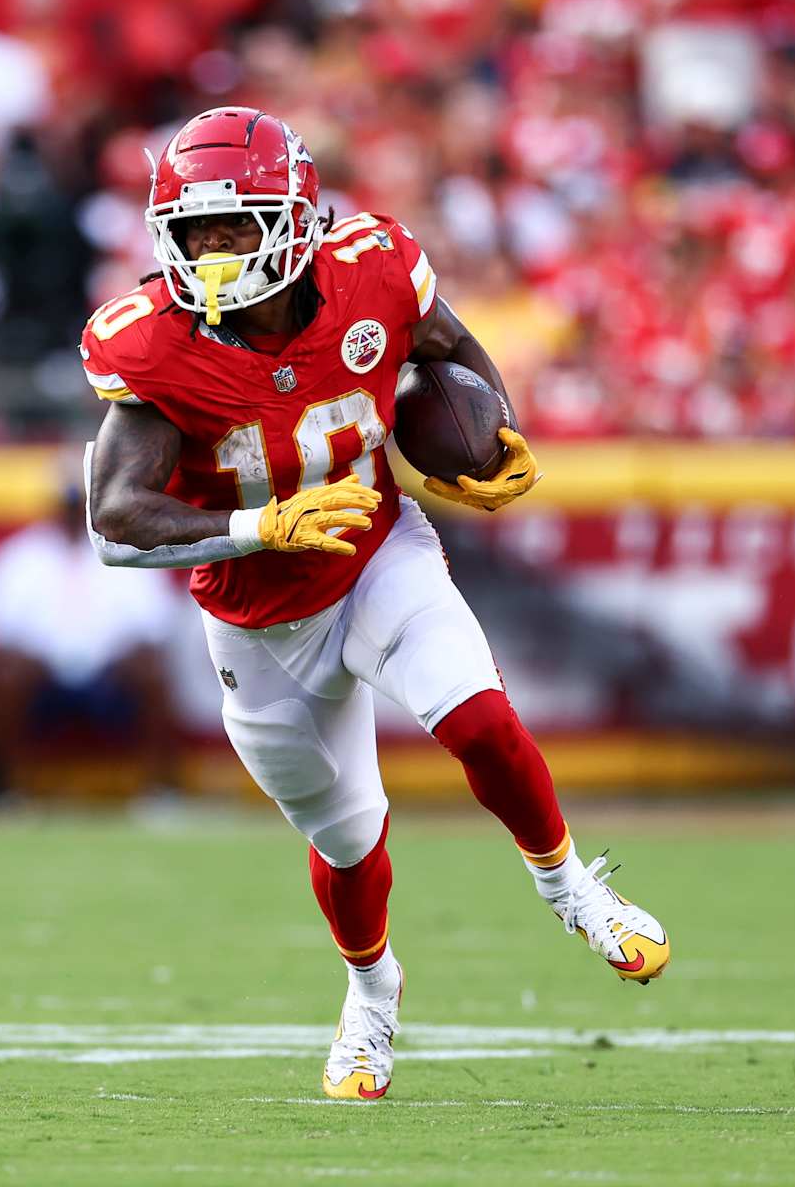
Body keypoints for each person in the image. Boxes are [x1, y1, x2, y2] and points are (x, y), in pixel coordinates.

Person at [81, 108, 671, 1101]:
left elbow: (452, 345)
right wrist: (264, 528)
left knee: (478, 718)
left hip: (374, 552)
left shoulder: (375, 269)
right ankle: (372, 993)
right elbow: (112, 520)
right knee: (348, 836)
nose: (213, 250)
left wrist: (498, 434)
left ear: (295, 217)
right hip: (257, 622)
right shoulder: (153, 345)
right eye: (196, 231)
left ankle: (573, 890)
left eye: (235, 227)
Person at [0, 476, 183, 798]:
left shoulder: (126, 549)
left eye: (79, 507)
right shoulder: (20, 555)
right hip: (40, 673)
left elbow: (155, 626)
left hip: (111, 673)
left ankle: (159, 789)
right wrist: (29, 658)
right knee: (5, 677)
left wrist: (125, 656)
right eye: (67, 507)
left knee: (153, 672)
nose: (72, 516)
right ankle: (7, 788)